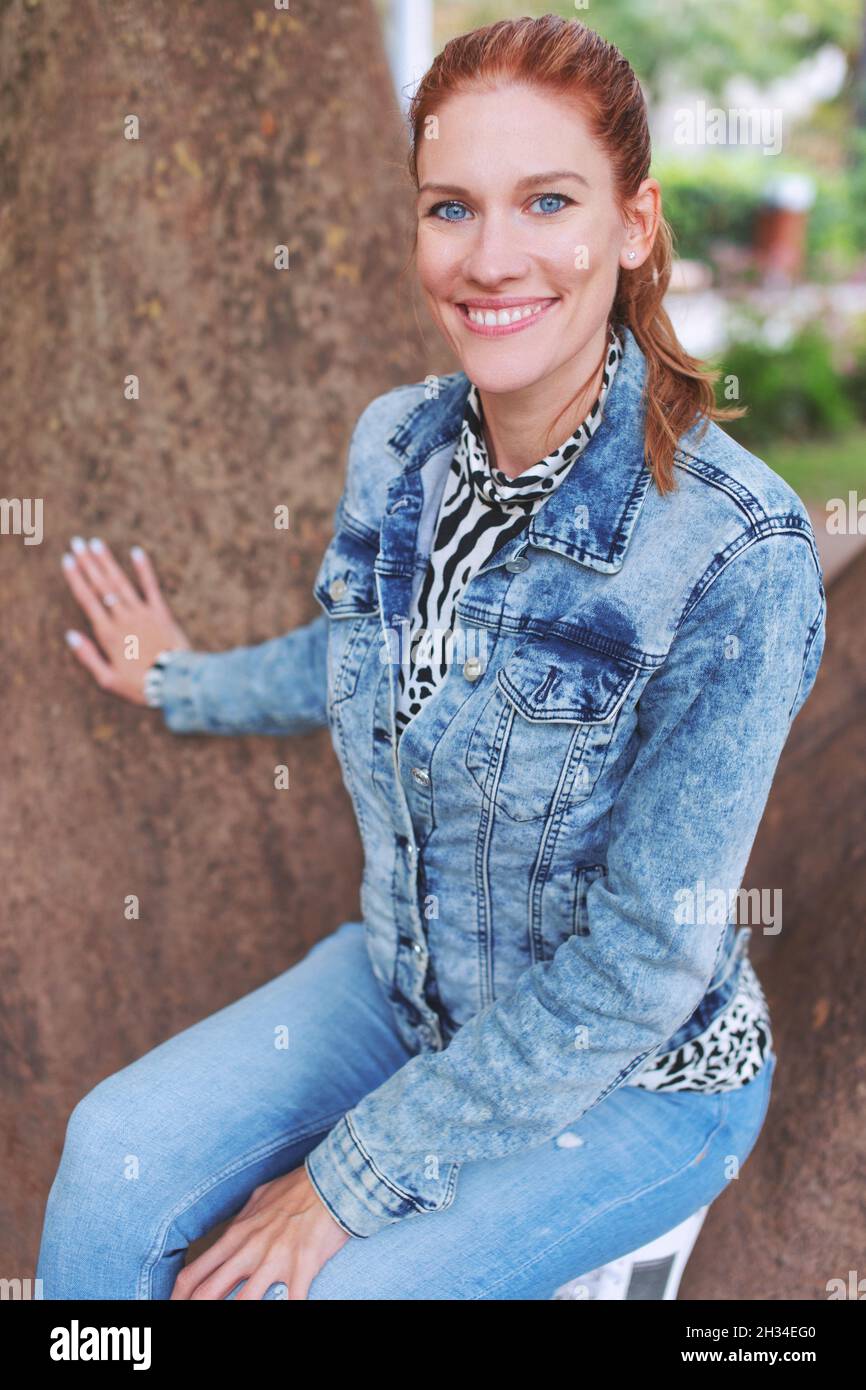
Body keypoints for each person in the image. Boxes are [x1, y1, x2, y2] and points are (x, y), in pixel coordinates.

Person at [38, 15, 825, 1300]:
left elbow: (641, 962)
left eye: (547, 200)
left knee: (328, 1293)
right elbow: (354, 652)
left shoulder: (738, 554)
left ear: (631, 224)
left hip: (632, 1074)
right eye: (450, 207)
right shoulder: (397, 443)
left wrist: (345, 1179)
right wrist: (177, 679)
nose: (489, 255)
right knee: (111, 1154)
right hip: (406, 987)